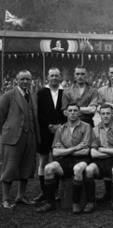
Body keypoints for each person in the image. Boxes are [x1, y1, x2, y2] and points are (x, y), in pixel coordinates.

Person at [36, 103, 92, 214]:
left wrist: (65, 150)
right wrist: (76, 148)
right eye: (70, 110)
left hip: (82, 160)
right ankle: (50, 203)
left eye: (75, 110)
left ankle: (75, 203)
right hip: (64, 161)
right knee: (48, 168)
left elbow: (86, 151)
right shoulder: (60, 129)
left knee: (77, 169)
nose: (72, 113)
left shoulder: (86, 127)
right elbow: (56, 152)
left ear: (79, 113)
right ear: (65, 113)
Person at [0, 70, 40, 209]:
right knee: (9, 168)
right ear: (16, 79)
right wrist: (4, 134)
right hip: (12, 137)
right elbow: (1, 116)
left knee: (27, 167)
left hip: (30, 136)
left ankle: (20, 196)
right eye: (22, 79)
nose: (25, 82)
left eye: (28, 79)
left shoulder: (33, 96)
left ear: (31, 80)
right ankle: (5, 199)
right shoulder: (8, 96)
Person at [85, 104, 113, 213]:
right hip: (100, 162)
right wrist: (112, 152)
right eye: (103, 113)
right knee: (89, 170)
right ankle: (91, 202)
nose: (106, 116)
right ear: (100, 115)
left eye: (108, 113)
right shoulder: (94, 130)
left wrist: (102, 149)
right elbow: (93, 153)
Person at [34, 68, 66, 203]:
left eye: (56, 76)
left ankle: (56, 191)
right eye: (52, 75)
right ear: (47, 77)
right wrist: (48, 125)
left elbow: (67, 111)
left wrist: (60, 126)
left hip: (60, 131)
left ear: (60, 77)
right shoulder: (41, 93)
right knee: (43, 161)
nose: (54, 78)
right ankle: (44, 192)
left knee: (57, 160)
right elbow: (39, 113)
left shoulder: (65, 92)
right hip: (44, 131)